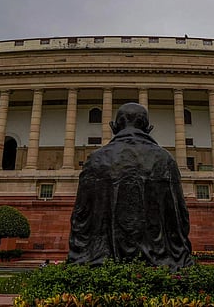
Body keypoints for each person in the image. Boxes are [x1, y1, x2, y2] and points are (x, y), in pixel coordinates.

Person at [68, 103, 194, 271]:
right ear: (148, 128)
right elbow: (179, 216)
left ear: (114, 126)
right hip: (158, 264)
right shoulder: (165, 160)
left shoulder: (95, 160)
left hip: (102, 264)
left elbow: (80, 216)